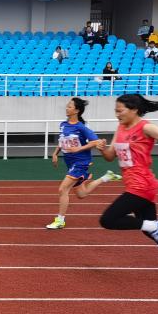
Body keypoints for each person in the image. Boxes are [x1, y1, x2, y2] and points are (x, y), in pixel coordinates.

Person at [98, 94, 158, 283]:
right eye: (115, 111)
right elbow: (110, 156)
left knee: (108, 219)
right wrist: (102, 148)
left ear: (134, 110)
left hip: (142, 185)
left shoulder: (146, 127)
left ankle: (155, 226)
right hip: (133, 184)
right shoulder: (120, 127)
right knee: (149, 230)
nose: (117, 114)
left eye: (120, 110)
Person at [45, 98, 121, 230]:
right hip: (70, 163)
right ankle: (107, 177)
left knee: (63, 189)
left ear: (77, 110)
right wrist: (55, 153)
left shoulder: (81, 127)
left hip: (80, 162)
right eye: (67, 106)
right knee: (82, 194)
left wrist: (79, 149)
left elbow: (96, 142)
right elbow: (62, 141)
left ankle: (60, 220)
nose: (67, 108)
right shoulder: (63, 124)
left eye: (69, 106)